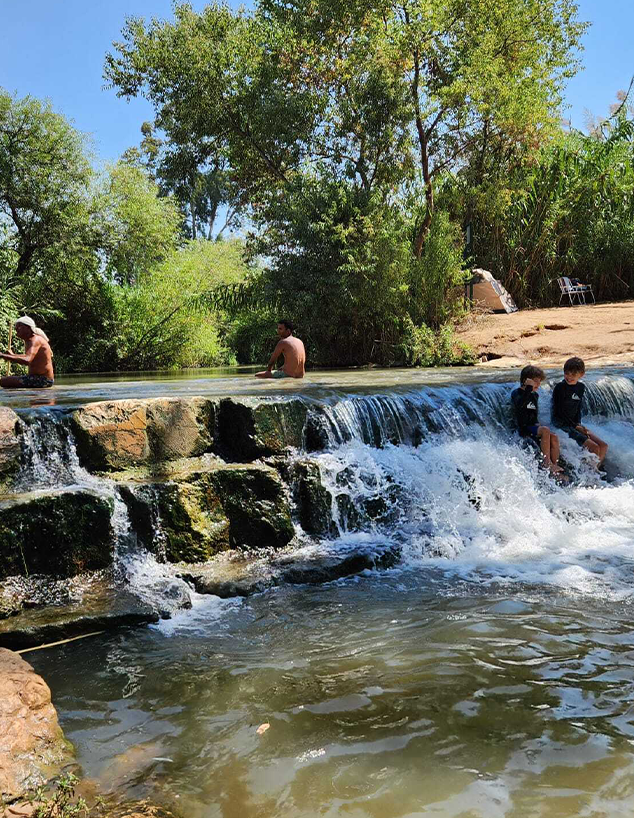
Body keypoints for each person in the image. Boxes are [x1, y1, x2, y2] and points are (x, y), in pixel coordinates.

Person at [551, 356, 608, 465]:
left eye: (573, 374)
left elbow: (577, 408)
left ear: (581, 374)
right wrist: (576, 426)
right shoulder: (560, 387)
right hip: (562, 424)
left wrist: (579, 424)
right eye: (567, 373)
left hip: (574, 424)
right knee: (594, 447)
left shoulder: (580, 387)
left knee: (603, 446)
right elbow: (559, 410)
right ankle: (590, 474)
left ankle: (595, 472)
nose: (569, 377)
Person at [511, 365, 564, 477]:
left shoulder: (535, 395)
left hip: (532, 426)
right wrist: (529, 389)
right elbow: (520, 405)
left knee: (553, 437)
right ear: (526, 380)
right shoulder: (517, 393)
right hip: (523, 428)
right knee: (545, 430)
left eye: (539, 382)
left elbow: (534, 413)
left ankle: (554, 465)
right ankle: (547, 463)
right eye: (535, 381)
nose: (538, 385)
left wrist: (537, 423)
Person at [0, 316, 55, 389]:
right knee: (6, 380)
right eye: (16, 326)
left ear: (28, 328)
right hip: (36, 378)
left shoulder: (34, 340)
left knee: (4, 381)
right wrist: (12, 355)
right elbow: (28, 357)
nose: (16, 328)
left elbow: (27, 360)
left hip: (43, 380)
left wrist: (3, 355)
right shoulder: (29, 340)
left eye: (19, 326)